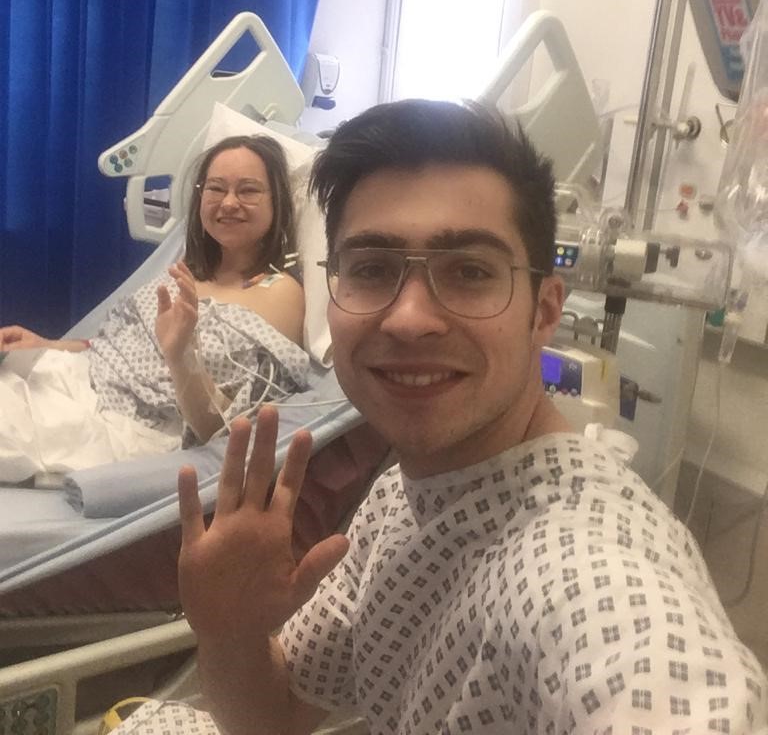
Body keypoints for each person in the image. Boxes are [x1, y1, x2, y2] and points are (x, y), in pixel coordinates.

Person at [175, 100, 768, 735]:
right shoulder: (404, 499)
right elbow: (277, 717)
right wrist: (230, 633)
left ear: (543, 312)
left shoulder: (589, 569)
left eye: (469, 272)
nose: (408, 319)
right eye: (372, 268)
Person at [0, 135, 307, 479]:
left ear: (276, 202)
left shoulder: (281, 293)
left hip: (127, 429)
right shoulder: (186, 269)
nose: (229, 203)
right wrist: (46, 345)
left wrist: (181, 355)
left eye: (248, 190)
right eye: (216, 188)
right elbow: (110, 345)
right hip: (77, 380)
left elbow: (220, 432)